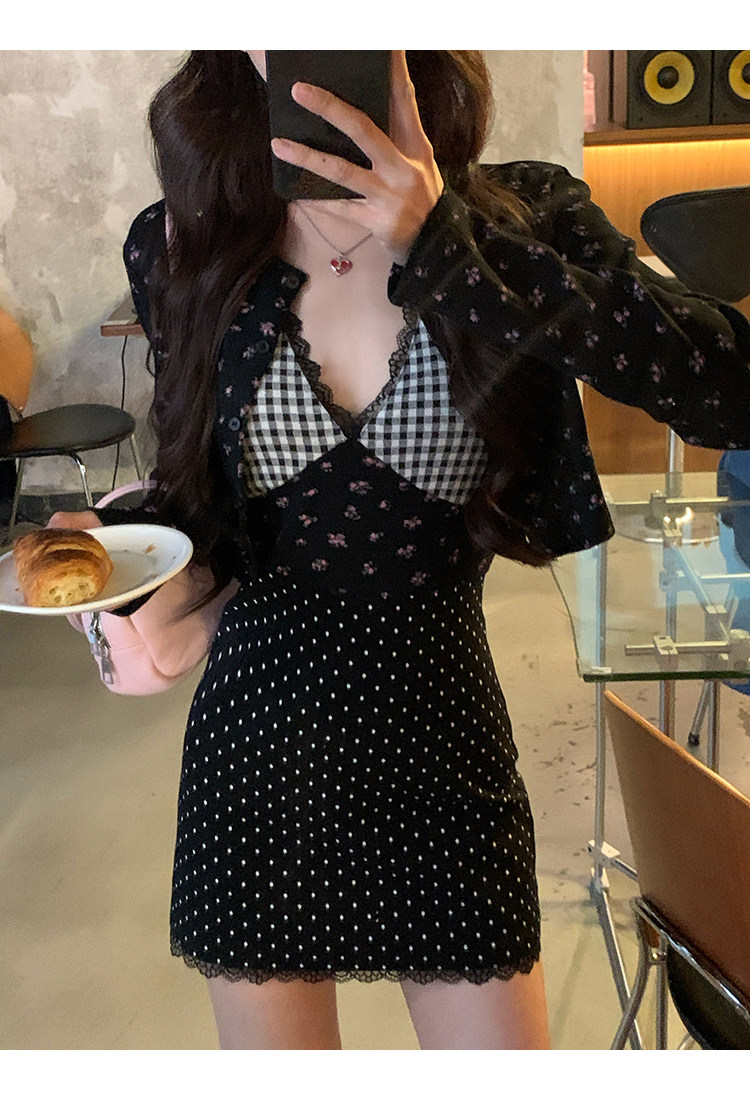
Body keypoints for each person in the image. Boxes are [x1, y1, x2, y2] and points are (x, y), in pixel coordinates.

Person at [50, 50, 750, 1049]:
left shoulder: (519, 216)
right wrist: (119, 550)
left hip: (445, 750)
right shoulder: (186, 237)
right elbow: (203, 495)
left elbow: (726, 387)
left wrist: (446, 243)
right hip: (259, 763)